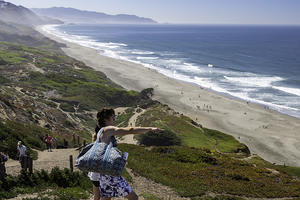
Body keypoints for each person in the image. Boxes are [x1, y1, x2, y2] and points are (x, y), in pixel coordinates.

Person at [91, 108, 160, 200]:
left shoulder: (100, 131)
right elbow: (130, 129)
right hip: (110, 173)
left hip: (103, 172)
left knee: (106, 198)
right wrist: (150, 128)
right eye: (113, 116)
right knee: (133, 197)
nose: (114, 119)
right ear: (106, 119)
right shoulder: (108, 129)